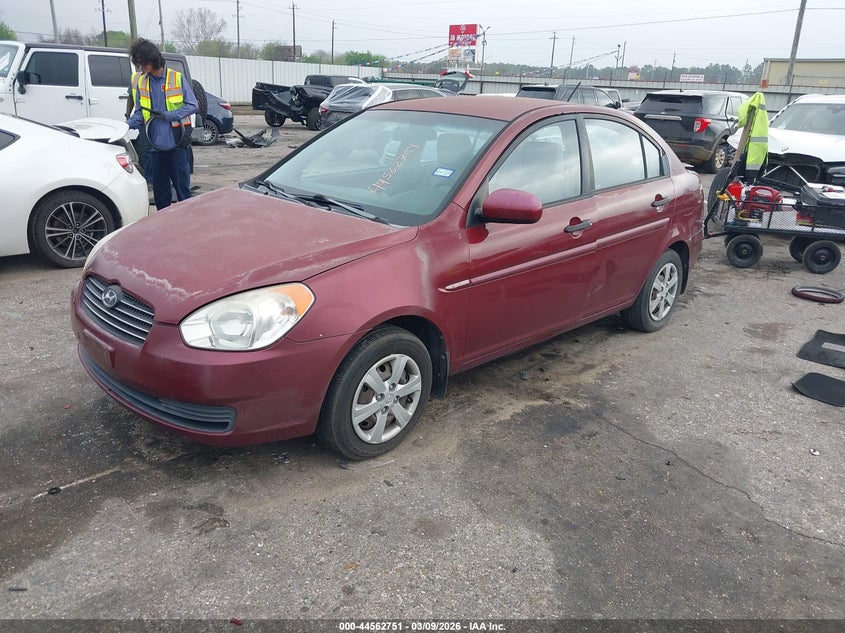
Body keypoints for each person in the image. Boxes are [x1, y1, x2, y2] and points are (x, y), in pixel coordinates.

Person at [126, 38, 198, 210]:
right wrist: (126, 125)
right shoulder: (142, 81)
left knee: (183, 195)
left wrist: (171, 115)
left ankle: (187, 228)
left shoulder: (176, 78)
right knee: (160, 195)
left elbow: (193, 105)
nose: (140, 68)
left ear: (152, 59)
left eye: (142, 64)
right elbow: (140, 113)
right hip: (155, 148)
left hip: (177, 146)